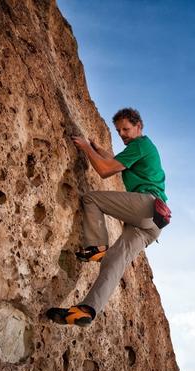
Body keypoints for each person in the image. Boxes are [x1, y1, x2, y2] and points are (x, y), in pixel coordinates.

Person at [46, 108, 168, 327]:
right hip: (153, 225)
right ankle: (87, 310)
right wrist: (97, 148)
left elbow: (105, 170)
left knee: (92, 199)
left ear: (139, 126)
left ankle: (96, 246)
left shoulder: (140, 144)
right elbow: (114, 160)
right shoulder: (139, 149)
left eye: (126, 129)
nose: (122, 134)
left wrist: (85, 148)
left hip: (146, 205)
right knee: (114, 262)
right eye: (119, 130)